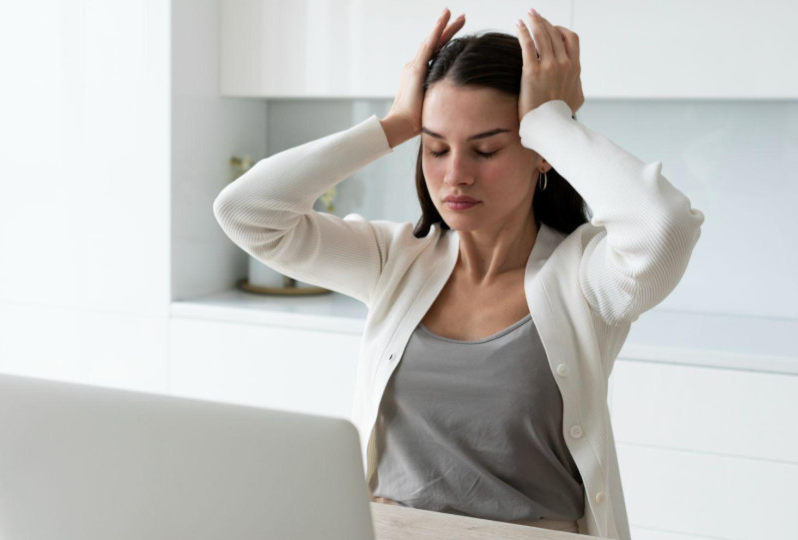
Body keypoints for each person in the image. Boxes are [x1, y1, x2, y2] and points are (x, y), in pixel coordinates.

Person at [213, 7, 704, 540]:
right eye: (435, 147)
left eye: (486, 148)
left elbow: (664, 228)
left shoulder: (584, 278)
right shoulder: (394, 260)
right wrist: (395, 123)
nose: (455, 175)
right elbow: (246, 212)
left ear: (541, 155)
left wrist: (551, 123)